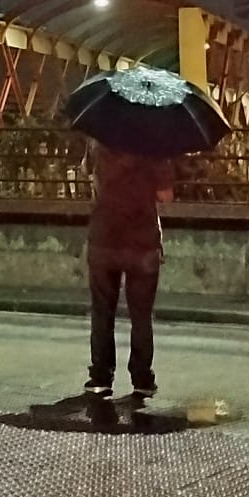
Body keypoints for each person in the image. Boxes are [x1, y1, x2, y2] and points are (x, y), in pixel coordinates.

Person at [84, 142, 175, 400]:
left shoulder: (99, 143)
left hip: (105, 237)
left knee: (102, 310)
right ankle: (142, 378)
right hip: (142, 242)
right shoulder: (155, 148)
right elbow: (166, 195)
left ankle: (100, 377)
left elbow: (94, 181)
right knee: (141, 315)